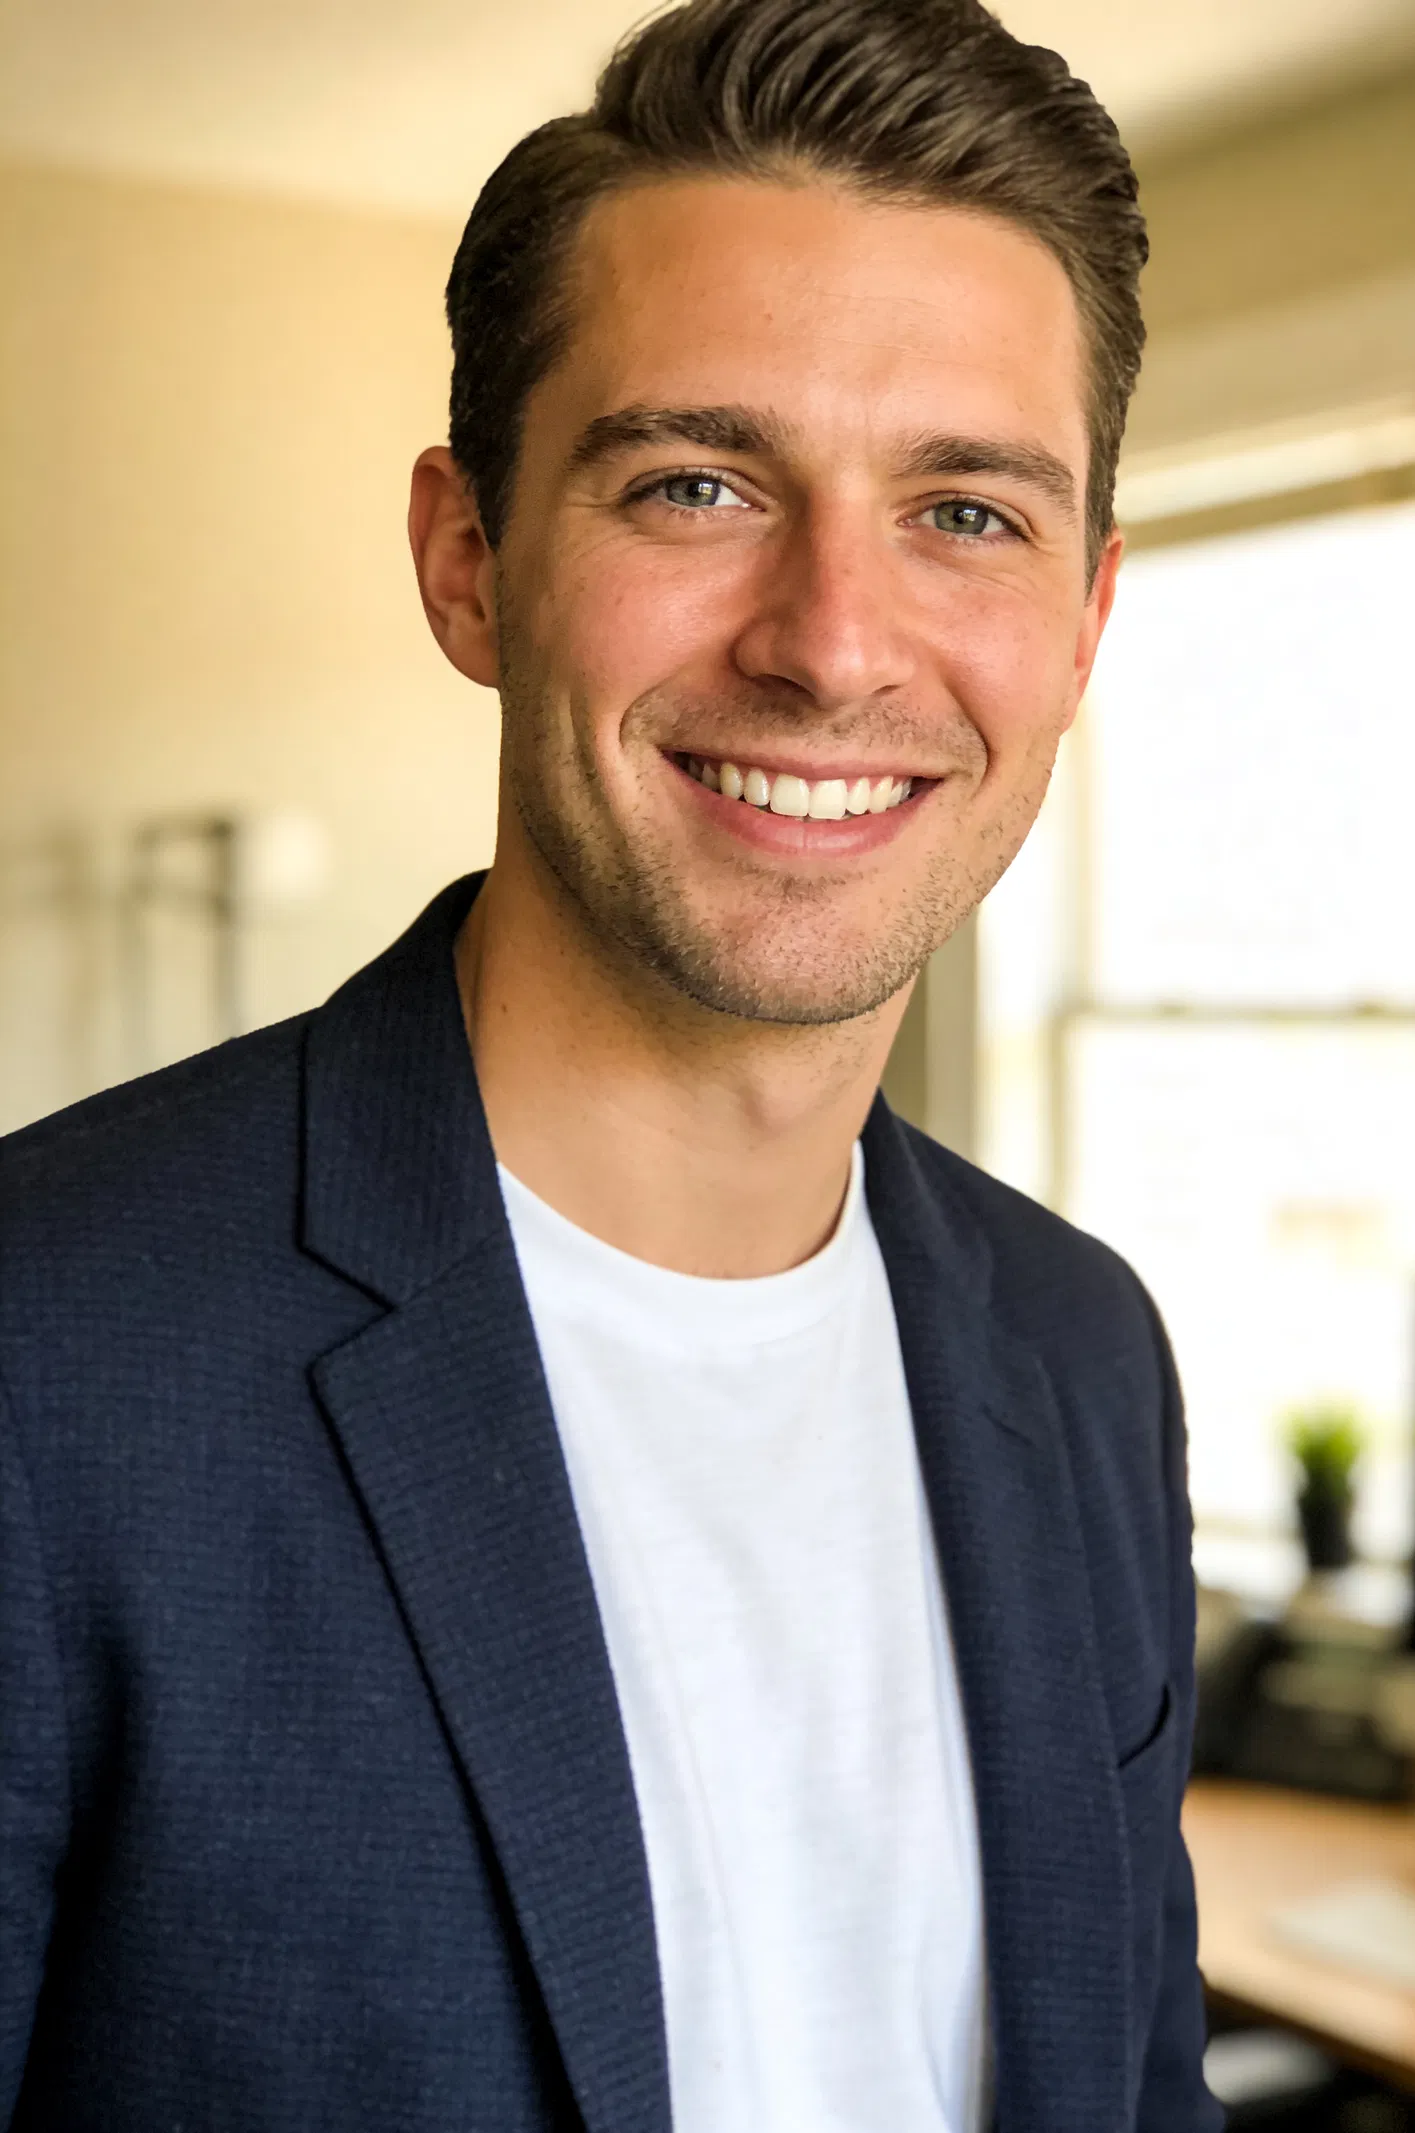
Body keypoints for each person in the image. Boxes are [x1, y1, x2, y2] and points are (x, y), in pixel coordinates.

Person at [0, 1, 1221, 2127]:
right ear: (469, 560)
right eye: (694, 481)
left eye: (965, 513)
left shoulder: (1079, 1356)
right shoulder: (47, 1355)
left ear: (1087, 620)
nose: (831, 641)